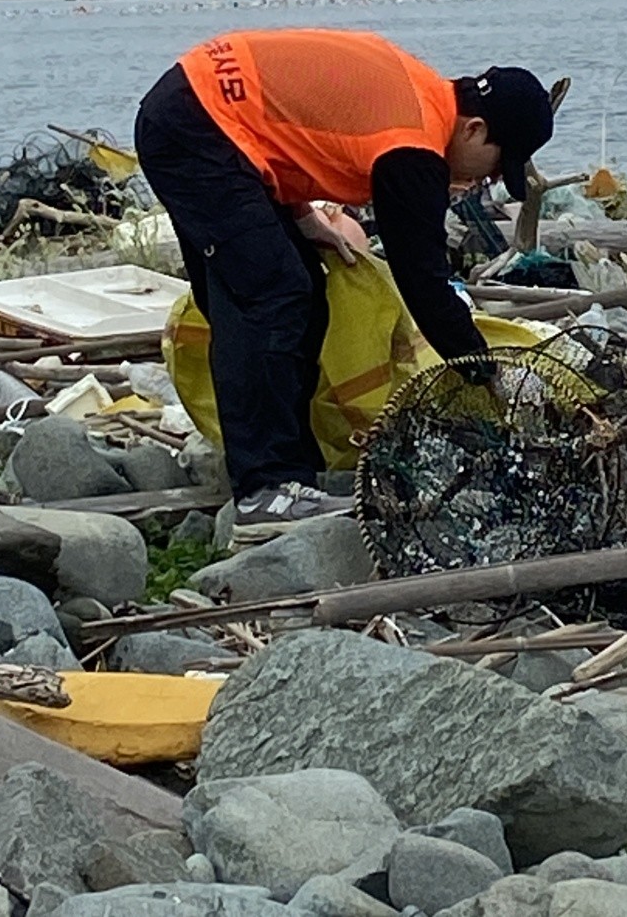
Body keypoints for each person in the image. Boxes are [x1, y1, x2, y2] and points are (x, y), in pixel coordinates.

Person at [134, 28, 553, 545]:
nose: (483, 184)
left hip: (204, 112)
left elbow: (290, 118)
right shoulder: (414, 148)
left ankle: (289, 470)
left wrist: (301, 214)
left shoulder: (419, 92)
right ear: (474, 129)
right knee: (271, 295)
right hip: (195, 127)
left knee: (297, 286)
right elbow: (423, 283)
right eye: (495, 168)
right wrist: (484, 370)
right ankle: (265, 490)